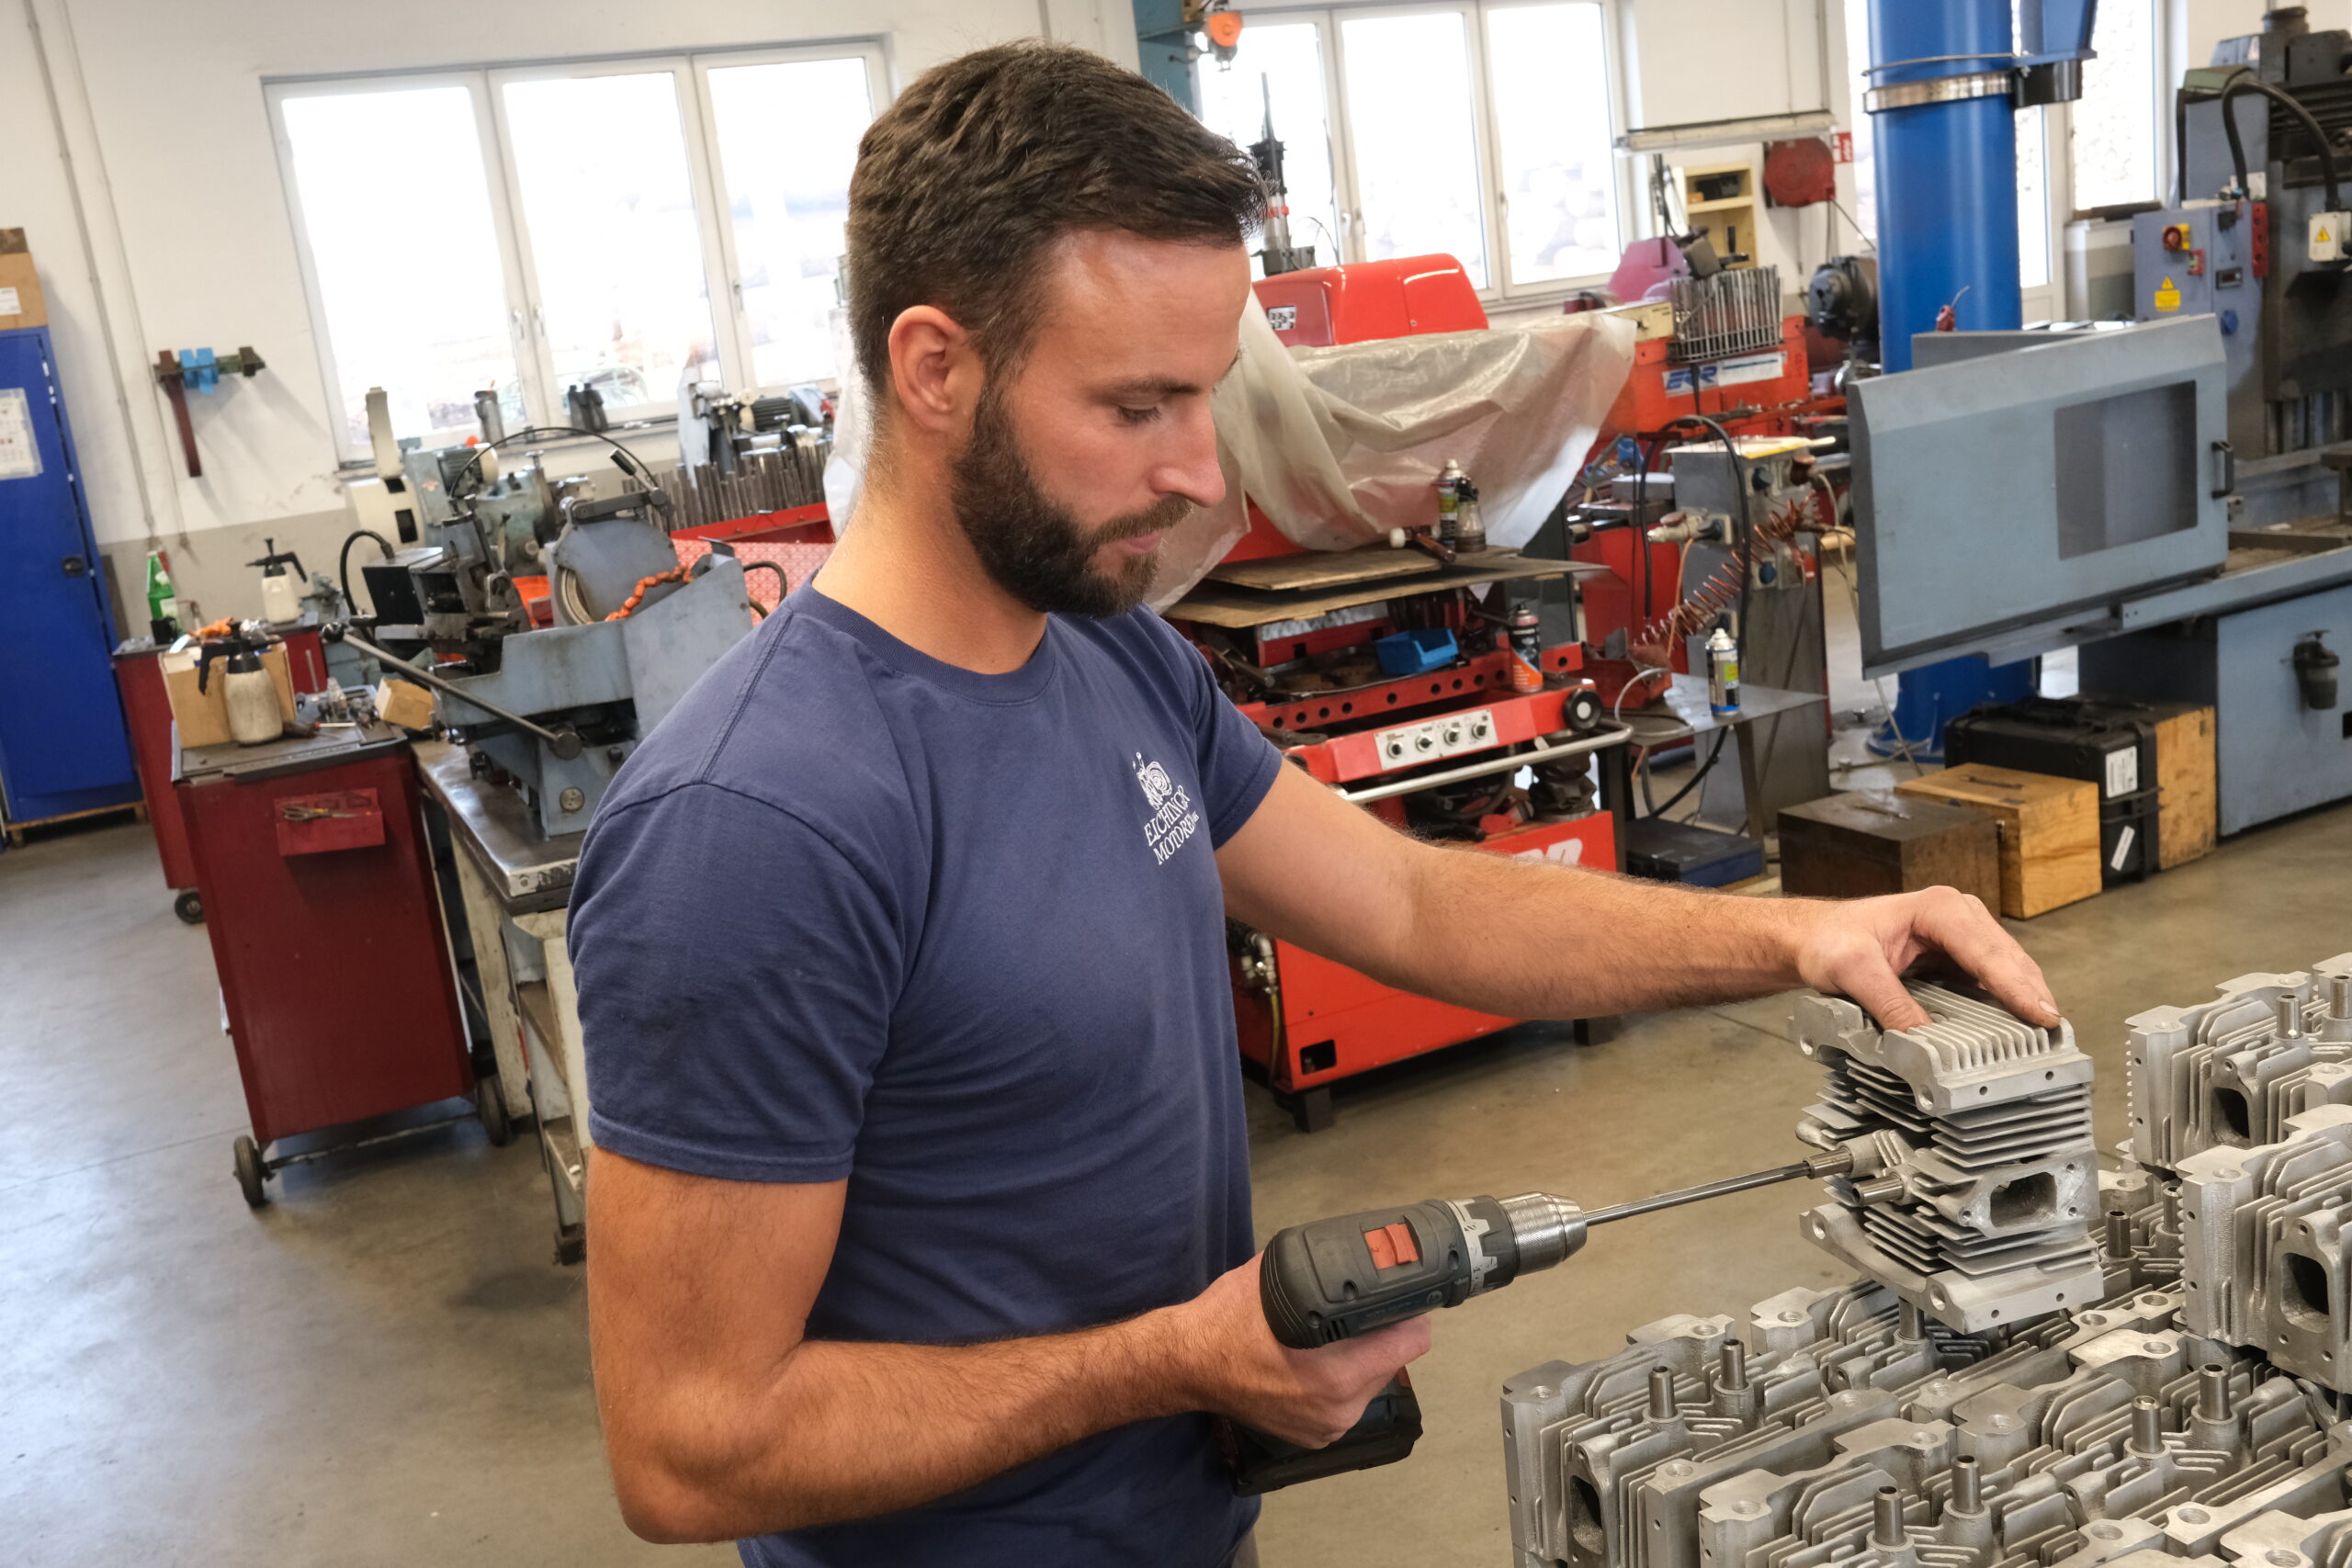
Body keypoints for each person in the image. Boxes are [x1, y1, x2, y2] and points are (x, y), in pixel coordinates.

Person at [568, 40, 2059, 1568]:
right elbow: (691, 1449)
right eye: (1138, 407)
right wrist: (1171, 1361)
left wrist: (1802, 939)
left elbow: (1408, 900)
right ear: (935, 369)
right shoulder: (755, 828)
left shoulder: (1110, 655)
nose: (1199, 473)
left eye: (1206, 398)